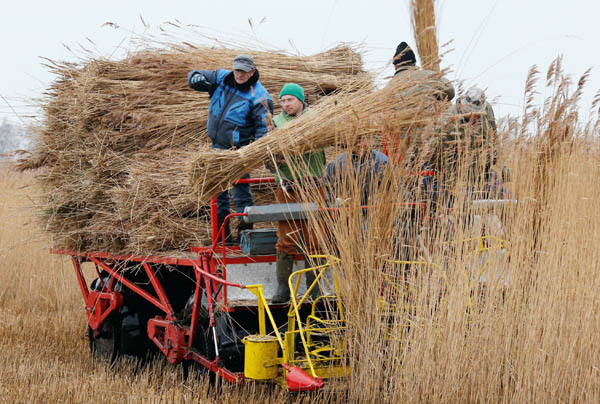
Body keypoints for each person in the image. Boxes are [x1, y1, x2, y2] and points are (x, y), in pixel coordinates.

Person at [188, 55, 274, 243]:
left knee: (241, 194)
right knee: (218, 193)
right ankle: (222, 236)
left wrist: (254, 153)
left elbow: (264, 129)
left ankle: (245, 235)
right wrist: (195, 78)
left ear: (252, 71)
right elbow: (198, 76)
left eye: (244, 71)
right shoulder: (222, 77)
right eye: (237, 70)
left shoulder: (260, 96)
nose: (239, 74)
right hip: (217, 148)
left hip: (239, 152)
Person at [269, 83, 326, 304]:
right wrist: (275, 161)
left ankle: (314, 287)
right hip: (287, 188)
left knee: (314, 237)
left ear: (300, 100)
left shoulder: (317, 118)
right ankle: (283, 287)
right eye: (282, 101)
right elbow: (268, 160)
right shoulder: (275, 123)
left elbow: (325, 143)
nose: (285, 104)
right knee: (286, 237)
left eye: (289, 100)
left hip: (313, 187)